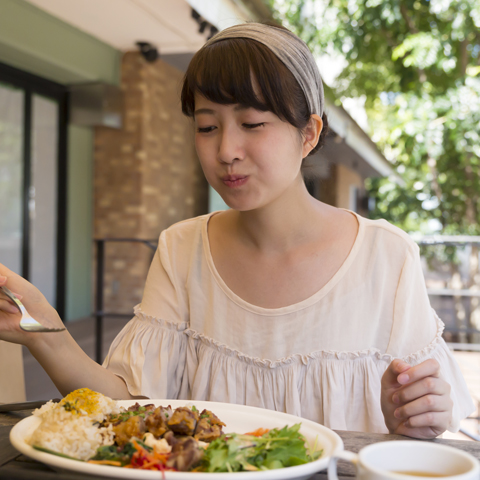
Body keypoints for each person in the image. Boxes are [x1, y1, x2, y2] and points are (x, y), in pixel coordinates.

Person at [0, 23, 473, 439]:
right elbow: (126, 410)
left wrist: (416, 416)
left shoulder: (386, 256)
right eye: (207, 127)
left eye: (252, 123)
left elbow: (430, 418)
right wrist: (44, 330)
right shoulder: (182, 249)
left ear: (308, 133)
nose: (226, 149)